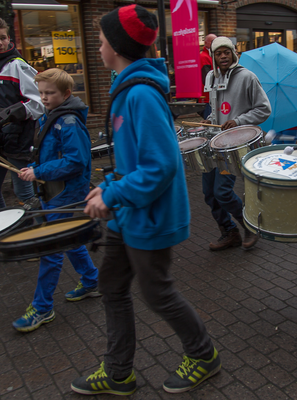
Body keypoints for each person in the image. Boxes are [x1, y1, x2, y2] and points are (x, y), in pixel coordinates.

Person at [70, 5, 220, 396]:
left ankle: (203, 355)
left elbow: (161, 166)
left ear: (116, 46)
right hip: (128, 214)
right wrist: (109, 189)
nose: (99, 46)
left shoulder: (140, 95)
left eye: (101, 40)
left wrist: (115, 192)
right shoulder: (125, 87)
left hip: (149, 217)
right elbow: (135, 159)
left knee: (158, 293)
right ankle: (119, 372)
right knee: (112, 286)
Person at [12, 68, 100, 332]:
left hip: (66, 192)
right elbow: (49, 154)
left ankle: (42, 307)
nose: (44, 97)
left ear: (66, 94)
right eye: (40, 92)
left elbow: (77, 161)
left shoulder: (69, 122)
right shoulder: (50, 117)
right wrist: (33, 166)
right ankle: (91, 281)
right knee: (68, 240)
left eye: (50, 93)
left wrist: (39, 172)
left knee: (51, 248)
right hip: (55, 190)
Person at [0, 16, 43, 265]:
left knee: (24, 192)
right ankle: (6, 243)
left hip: (19, 138)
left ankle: (36, 242)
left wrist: (10, 115)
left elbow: (38, 104)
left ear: (9, 38)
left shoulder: (18, 66)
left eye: (2, 38)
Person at [202, 36, 271, 251]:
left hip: (234, 145)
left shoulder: (247, 77)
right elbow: (217, 109)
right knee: (209, 193)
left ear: (234, 53)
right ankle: (229, 232)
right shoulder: (211, 77)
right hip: (213, 143)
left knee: (222, 191)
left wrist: (238, 121)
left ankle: (249, 225)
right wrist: (210, 121)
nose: (223, 56)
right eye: (218, 53)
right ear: (213, 56)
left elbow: (263, 109)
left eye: (226, 52)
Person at [199, 33, 216, 119]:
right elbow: (206, 79)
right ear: (206, 43)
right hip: (207, 98)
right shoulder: (204, 57)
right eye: (213, 41)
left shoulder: (211, 56)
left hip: (211, 96)